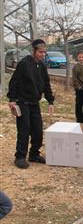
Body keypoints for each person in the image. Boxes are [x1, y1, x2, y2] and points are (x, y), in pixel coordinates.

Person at [7, 39, 55, 169]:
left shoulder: (42, 66)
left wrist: (50, 100)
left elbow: (46, 84)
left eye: (44, 52)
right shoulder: (24, 64)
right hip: (22, 101)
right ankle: (20, 157)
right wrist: (12, 99)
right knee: (24, 129)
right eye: (40, 52)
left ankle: (34, 154)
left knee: (38, 130)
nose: (43, 54)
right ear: (34, 51)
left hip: (35, 102)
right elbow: (14, 81)